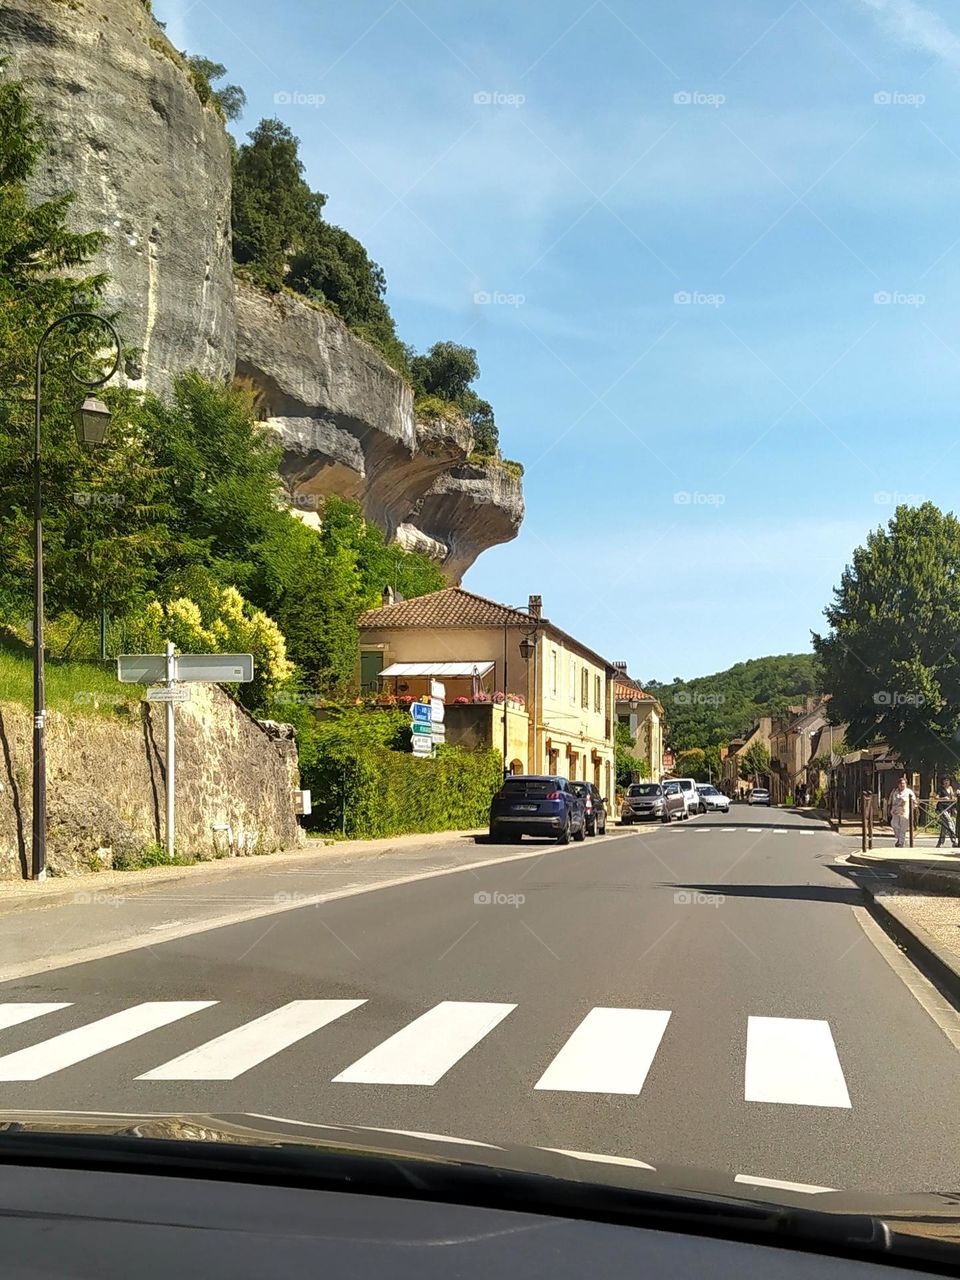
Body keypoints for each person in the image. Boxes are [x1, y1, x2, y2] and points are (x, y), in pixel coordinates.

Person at [888, 774, 917, 848]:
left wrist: (914, 807)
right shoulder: (895, 791)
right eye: (901, 784)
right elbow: (890, 801)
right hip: (895, 811)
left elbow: (914, 801)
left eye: (904, 783)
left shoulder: (909, 791)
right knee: (894, 825)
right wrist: (889, 809)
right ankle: (899, 839)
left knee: (903, 828)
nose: (902, 785)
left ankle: (901, 842)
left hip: (904, 812)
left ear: (906, 784)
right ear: (898, 784)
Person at [935, 777, 958, 850]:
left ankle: (940, 842)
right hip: (941, 809)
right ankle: (954, 840)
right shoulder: (940, 789)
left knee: (944, 826)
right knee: (949, 822)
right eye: (945, 780)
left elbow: (953, 799)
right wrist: (943, 798)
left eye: (948, 780)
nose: (946, 782)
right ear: (943, 781)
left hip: (949, 809)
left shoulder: (950, 789)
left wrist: (954, 808)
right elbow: (936, 797)